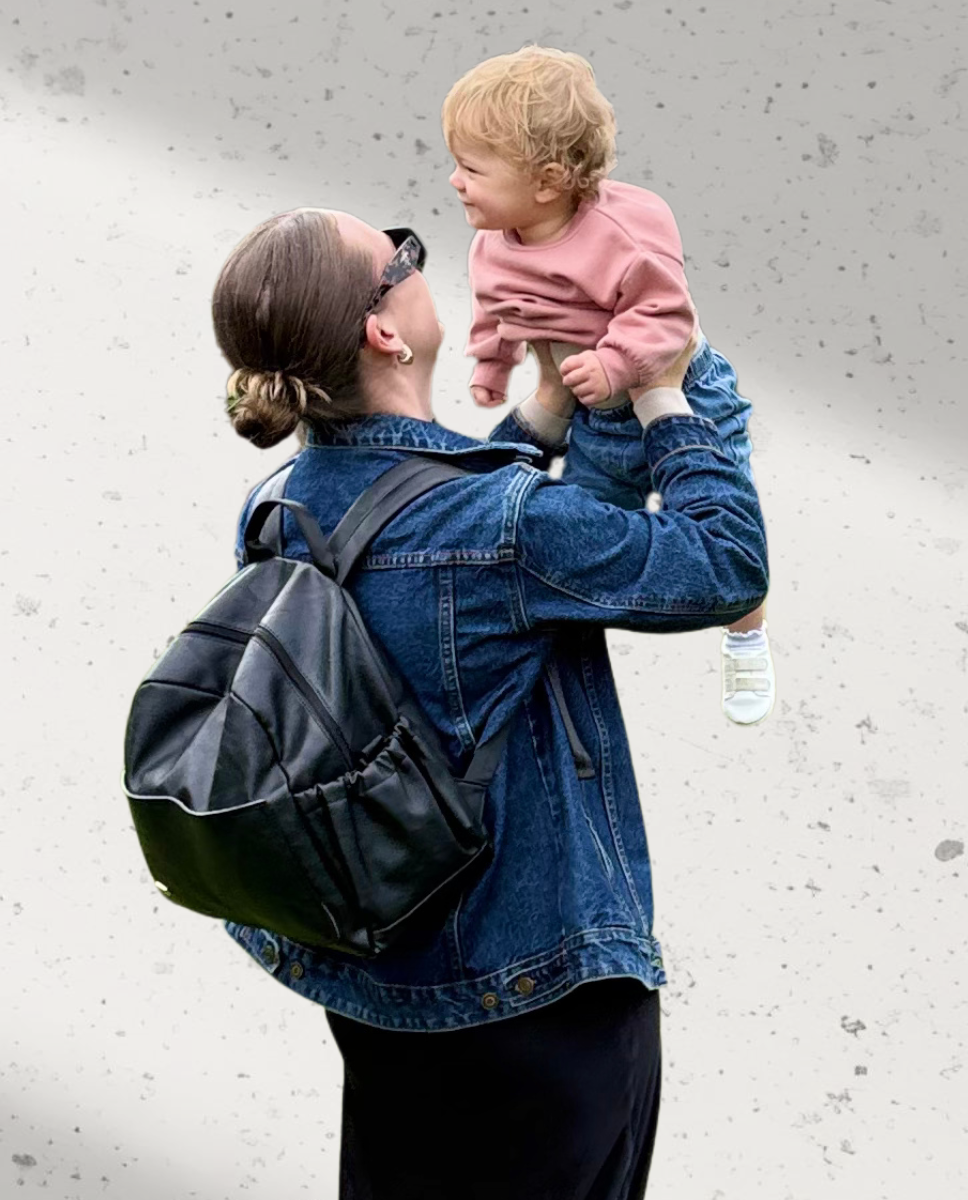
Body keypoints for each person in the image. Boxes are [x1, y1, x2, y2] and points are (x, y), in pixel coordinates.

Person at [207, 207, 767, 1197]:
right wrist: (669, 398)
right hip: (536, 999)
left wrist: (543, 411)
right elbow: (722, 565)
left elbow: (430, 523)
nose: (420, 262)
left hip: (371, 975)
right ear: (383, 329)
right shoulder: (501, 528)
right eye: (400, 257)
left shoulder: (277, 506)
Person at [442, 45, 778, 724]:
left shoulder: (626, 230)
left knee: (720, 520)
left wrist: (617, 364)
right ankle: (563, 657)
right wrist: (491, 364)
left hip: (681, 390)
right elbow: (495, 308)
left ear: (548, 180)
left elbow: (666, 314)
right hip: (594, 416)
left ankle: (746, 632)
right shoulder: (492, 242)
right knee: (583, 529)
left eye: (472, 169)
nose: (454, 182)